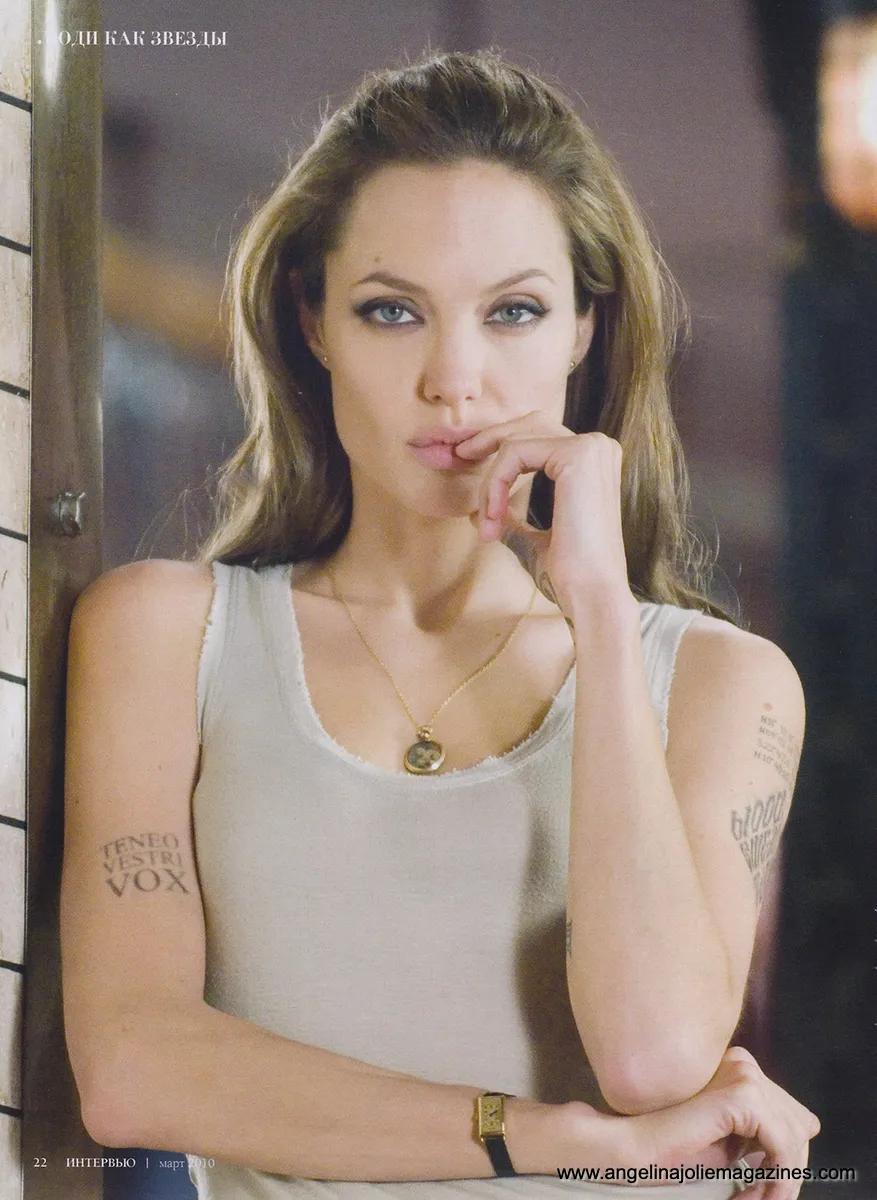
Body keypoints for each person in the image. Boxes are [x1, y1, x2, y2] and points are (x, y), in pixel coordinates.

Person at [61, 50, 819, 1200]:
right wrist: (548, 1139)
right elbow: (132, 1069)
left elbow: (654, 1057)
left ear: (583, 328)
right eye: (392, 310)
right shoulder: (165, 637)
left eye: (514, 311)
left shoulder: (720, 680)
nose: (454, 379)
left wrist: (602, 614)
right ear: (312, 320)